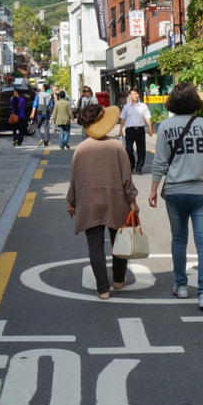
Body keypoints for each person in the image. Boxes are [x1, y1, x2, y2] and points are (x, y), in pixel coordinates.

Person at [147, 82, 203, 311]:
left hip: (174, 191)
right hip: (202, 192)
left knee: (179, 240)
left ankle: (181, 286)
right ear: (195, 101)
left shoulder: (165, 127)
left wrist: (153, 189)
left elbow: (160, 162)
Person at [66, 100, 137, 299]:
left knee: (95, 245)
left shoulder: (81, 149)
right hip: (116, 200)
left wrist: (71, 202)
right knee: (119, 241)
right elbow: (126, 178)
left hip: (89, 202)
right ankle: (119, 279)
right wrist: (132, 201)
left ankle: (102, 288)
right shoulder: (116, 146)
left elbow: (74, 180)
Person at [119, 89, 152, 174]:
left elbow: (147, 117)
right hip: (129, 130)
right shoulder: (126, 107)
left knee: (141, 150)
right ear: (130, 95)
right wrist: (120, 130)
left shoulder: (143, 106)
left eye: (136, 94)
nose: (135, 95)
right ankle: (131, 164)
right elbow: (123, 119)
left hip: (140, 130)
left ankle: (139, 167)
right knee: (129, 149)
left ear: (139, 95)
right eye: (133, 94)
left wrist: (150, 127)